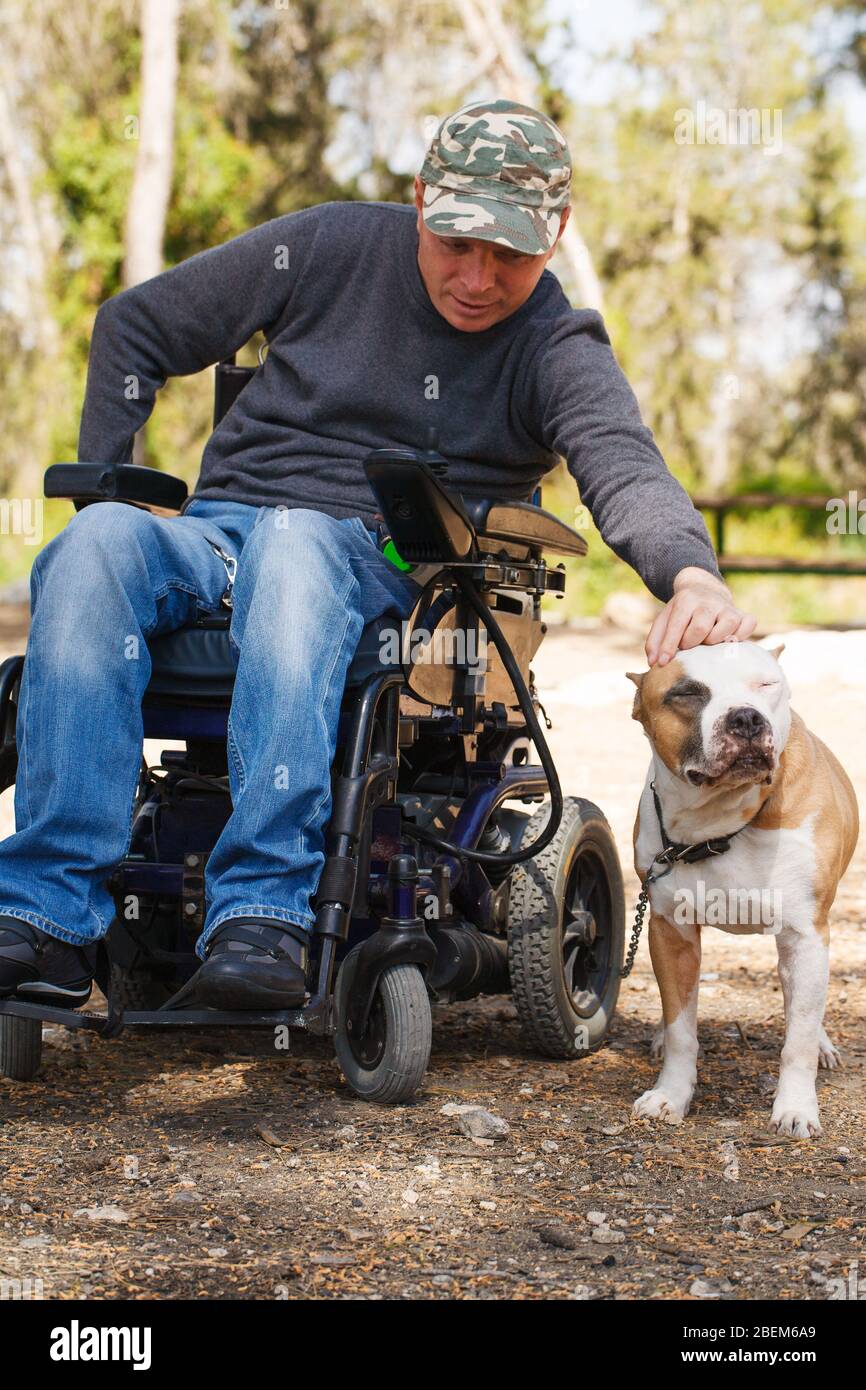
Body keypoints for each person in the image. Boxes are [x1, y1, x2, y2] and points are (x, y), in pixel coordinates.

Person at [0, 98, 755, 1009]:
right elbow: (135, 325)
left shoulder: (555, 345)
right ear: (419, 201)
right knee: (94, 547)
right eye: (455, 244)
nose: (477, 277)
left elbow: (622, 465)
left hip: (392, 570)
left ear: (556, 233)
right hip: (222, 535)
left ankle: (263, 912)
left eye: (509, 253)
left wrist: (690, 573)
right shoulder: (327, 246)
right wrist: (107, 486)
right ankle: (45, 919)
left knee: (297, 542)